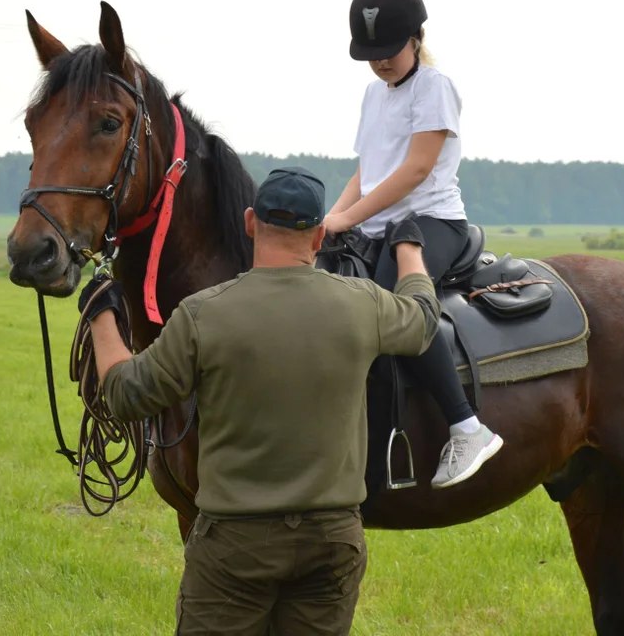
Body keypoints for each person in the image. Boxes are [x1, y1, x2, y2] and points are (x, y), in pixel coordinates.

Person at [82, 166, 443, 636]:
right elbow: (423, 322)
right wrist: (409, 251)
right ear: (318, 237)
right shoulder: (365, 304)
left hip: (235, 544)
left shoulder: (202, 315)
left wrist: (101, 315)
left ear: (250, 222)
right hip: (332, 542)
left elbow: (127, 395)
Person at [324, 0, 503, 488]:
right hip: (380, 222)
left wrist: (348, 219)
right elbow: (369, 171)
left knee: (396, 310)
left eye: (390, 50)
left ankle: (467, 426)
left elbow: (415, 170)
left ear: (417, 38)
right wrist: (330, 221)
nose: (381, 62)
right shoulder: (372, 95)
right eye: (371, 53)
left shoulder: (435, 88)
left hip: (431, 222)